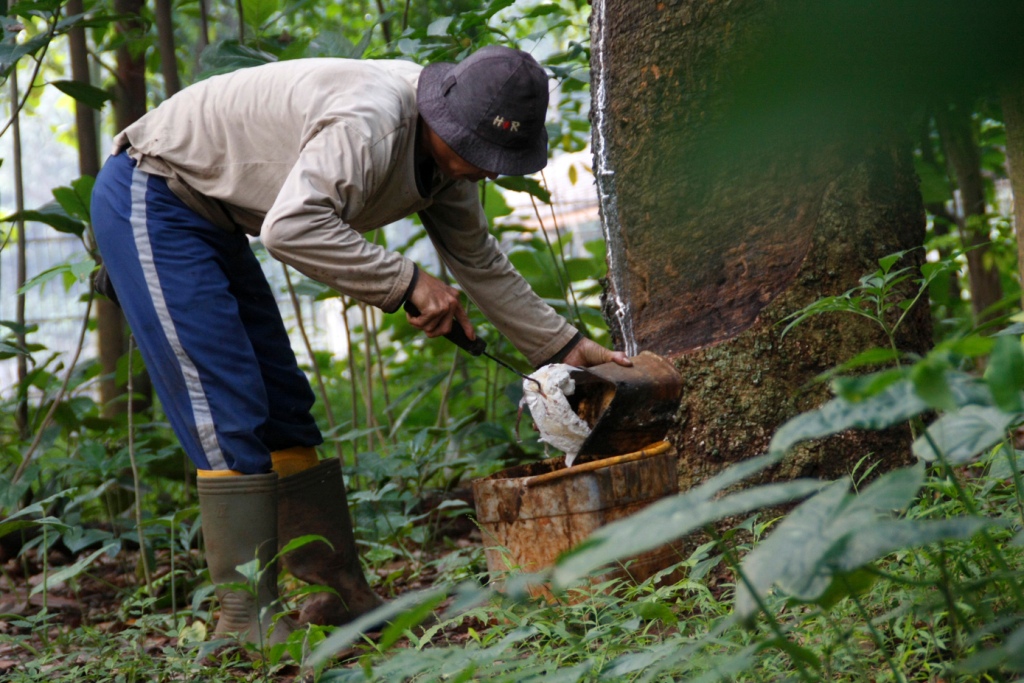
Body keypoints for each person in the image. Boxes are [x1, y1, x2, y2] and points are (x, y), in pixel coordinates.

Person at [90, 45, 630, 647]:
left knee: (284, 408)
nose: (481, 170)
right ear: (442, 118)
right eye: (475, 154)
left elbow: (478, 259)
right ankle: (244, 620)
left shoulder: (451, 159)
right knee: (225, 407)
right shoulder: (371, 125)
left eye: (496, 159)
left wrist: (563, 344)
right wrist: (407, 284)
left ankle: (338, 595)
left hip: (216, 217)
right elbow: (291, 228)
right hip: (154, 192)